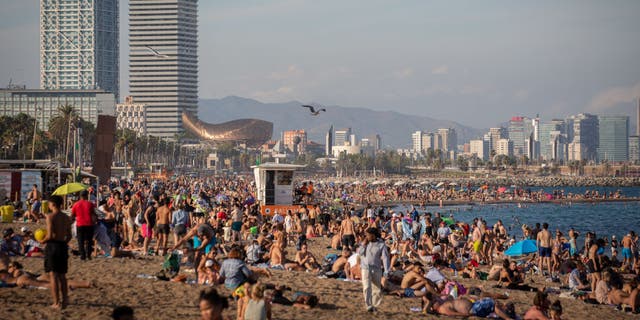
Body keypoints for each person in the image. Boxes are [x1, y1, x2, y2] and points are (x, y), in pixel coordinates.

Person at [42, 195, 72, 309]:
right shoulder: (66, 217)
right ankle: (65, 300)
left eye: (49, 204)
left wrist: (42, 241)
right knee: (62, 276)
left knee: (53, 275)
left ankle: (56, 302)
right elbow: (69, 235)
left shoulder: (50, 217)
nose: (48, 206)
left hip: (53, 246)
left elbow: (49, 235)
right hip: (63, 246)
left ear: (53, 204)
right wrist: (63, 242)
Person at [357, 227, 390, 312]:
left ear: (373, 235)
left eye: (368, 235)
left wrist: (386, 271)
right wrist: (363, 244)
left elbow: (385, 258)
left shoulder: (381, 244)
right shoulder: (365, 243)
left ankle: (374, 305)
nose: (366, 236)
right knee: (366, 287)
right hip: (365, 268)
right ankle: (368, 305)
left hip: (377, 269)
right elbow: (359, 253)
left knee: (377, 289)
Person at [70, 190, 96, 261]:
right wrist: (95, 222)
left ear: (80, 196)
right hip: (89, 224)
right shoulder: (90, 204)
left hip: (80, 224)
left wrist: (70, 223)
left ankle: (82, 255)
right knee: (89, 240)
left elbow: (72, 216)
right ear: (86, 195)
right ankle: (88, 255)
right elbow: (93, 214)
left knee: (80, 241)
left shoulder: (76, 204)